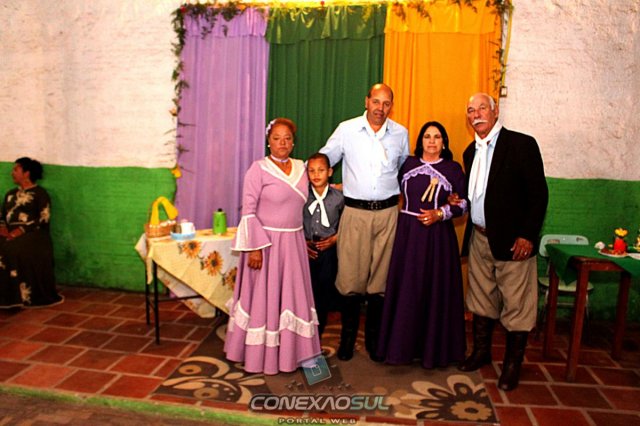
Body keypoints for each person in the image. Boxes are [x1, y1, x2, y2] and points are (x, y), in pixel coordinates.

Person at [457, 93, 548, 391]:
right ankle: (482, 352)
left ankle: (512, 366)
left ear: (495, 111)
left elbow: (539, 195)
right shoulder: (470, 152)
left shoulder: (521, 145)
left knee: (517, 306)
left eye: (482, 108)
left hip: (513, 242)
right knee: (480, 299)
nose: (476, 114)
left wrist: (527, 235)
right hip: (480, 238)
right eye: (471, 110)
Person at [224, 118, 321, 375]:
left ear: (293, 142)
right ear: (269, 141)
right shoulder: (258, 169)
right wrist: (254, 248)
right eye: (277, 138)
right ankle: (259, 357)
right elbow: (248, 211)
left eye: (287, 138)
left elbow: (320, 191)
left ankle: (297, 354)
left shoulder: (302, 168)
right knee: (263, 300)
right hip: (266, 246)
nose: (282, 143)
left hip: (294, 244)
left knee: (294, 298)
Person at [320, 83, 409, 361]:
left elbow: (406, 171)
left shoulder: (401, 133)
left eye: (386, 103)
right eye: (376, 101)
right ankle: (347, 340)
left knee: (380, 280)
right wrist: (323, 183)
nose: (380, 108)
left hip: (388, 213)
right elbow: (324, 159)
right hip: (355, 213)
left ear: (391, 106)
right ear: (366, 101)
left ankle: (374, 340)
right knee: (350, 278)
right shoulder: (347, 130)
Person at [376, 121, 468, 368]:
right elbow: (387, 185)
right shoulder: (408, 164)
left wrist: (440, 213)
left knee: (434, 289)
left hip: (438, 239)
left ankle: (433, 350)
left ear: (444, 142)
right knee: (407, 289)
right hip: (408, 235)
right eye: (427, 136)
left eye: (437, 136)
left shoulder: (453, 168)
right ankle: (401, 348)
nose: (432, 141)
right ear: (420, 141)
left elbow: (463, 203)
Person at [0, 157, 64, 309]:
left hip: (34, 234)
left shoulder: (40, 194)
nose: (12, 173)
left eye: (16, 170)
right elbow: (2, 215)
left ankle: (18, 297)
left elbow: (43, 219)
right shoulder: (10, 194)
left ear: (26, 173)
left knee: (11, 248)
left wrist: (21, 230)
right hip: (10, 232)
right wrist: (2, 228)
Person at [303, 152, 345, 338]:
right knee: (307, 289)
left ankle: (319, 329)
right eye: (311, 171)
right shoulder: (302, 195)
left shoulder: (339, 197)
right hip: (307, 248)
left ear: (329, 172)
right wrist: (303, 241)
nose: (316, 175)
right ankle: (305, 327)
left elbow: (347, 222)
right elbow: (294, 220)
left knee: (325, 288)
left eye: (320, 170)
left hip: (330, 248)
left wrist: (335, 238)